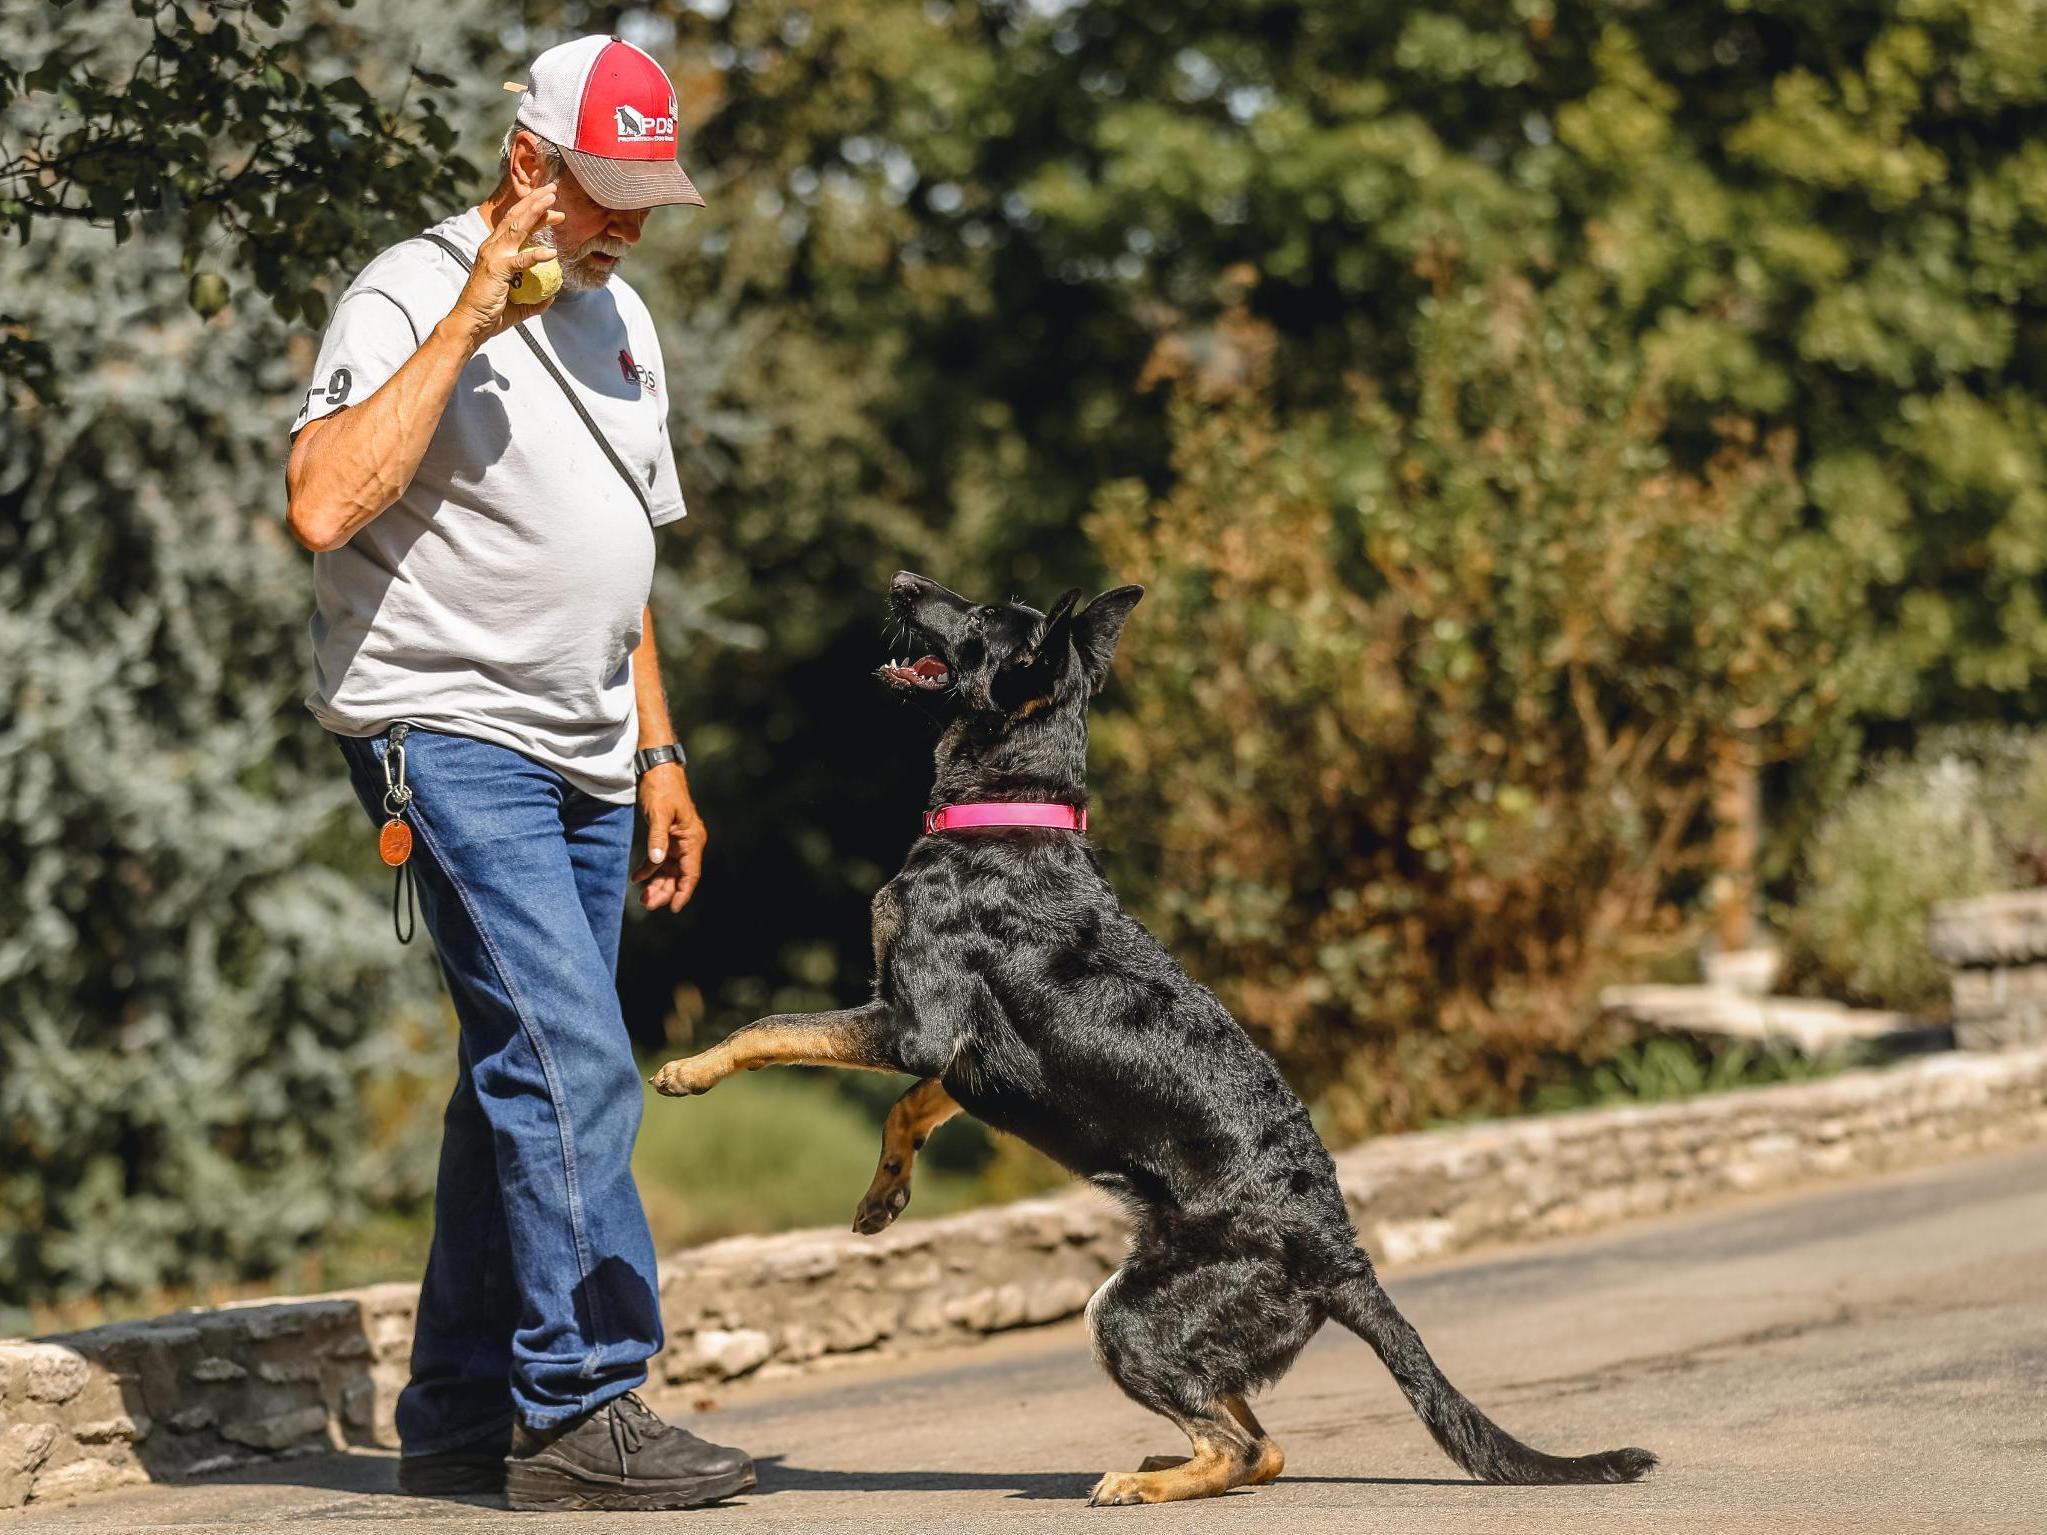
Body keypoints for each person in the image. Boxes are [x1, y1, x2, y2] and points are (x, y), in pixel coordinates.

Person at [283, 34, 754, 1513]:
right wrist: (479, 310)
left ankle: (459, 1415)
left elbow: (625, 555)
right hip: (442, 727)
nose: (624, 224)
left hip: (590, 745)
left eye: (645, 197)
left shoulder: (625, 329)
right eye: (602, 190)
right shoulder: (411, 289)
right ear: (530, 160)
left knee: (525, 1070)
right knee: (571, 1053)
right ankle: (581, 1406)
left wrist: (658, 745)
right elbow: (320, 502)